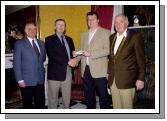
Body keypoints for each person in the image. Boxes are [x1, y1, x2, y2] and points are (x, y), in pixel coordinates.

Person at [73, 11, 111, 109]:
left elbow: (107, 50)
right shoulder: (83, 35)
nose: (90, 21)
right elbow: (80, 51)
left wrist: (91, 54)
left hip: (100, 71)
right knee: (89, 97)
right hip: (86, 71)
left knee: (104, 98)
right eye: (88, 20)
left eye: (93, 19)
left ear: (98, 20)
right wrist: (76, 56)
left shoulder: (106, 32)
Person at [108, 14, 145, 109]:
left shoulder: (135, 36)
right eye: (116, 22)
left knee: (127, 108)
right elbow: (112, 59)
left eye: (121, 22)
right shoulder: (112, 37)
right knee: (116, 107)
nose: (118, 24)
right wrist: (108, 73)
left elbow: (141, 59)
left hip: (127, 80)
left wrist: (140, 78)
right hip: (113, 80)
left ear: (127, 23)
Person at [13, 22, 46, 109]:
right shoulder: (19, 44)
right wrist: (20, 80)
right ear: (25, 31)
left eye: (34, 29)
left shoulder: (42, 43)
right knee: (27, 104)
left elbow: (42, 59)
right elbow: (16, 64)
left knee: (41, 102)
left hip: (40, 79)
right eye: (29, 29)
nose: (32, 31)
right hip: (26, 81)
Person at [45, 19, 75, 109]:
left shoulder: (69, 39)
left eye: (63, 25)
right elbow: (52, 55)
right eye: (59, 24)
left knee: (66, 97)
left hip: (68, 71)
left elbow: (72, 53)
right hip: (54, 73)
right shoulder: (49, 39)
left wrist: (75, 58)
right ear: (55, 27)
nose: (61, 26)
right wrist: (68, 61)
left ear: (65, 27)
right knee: (53, 98)